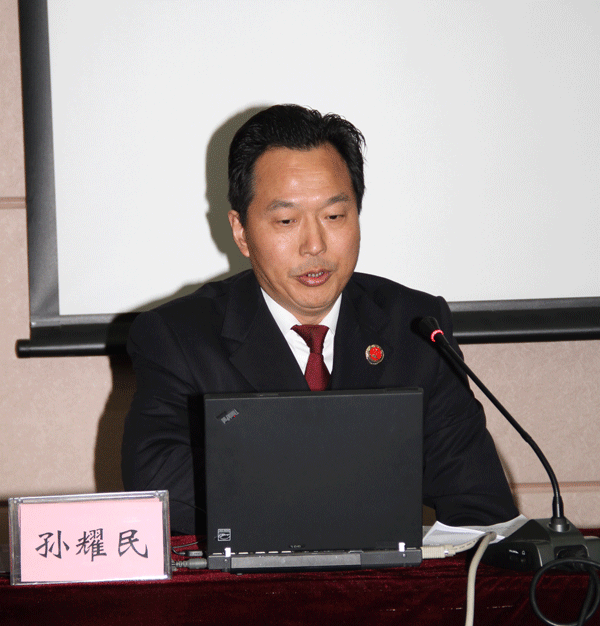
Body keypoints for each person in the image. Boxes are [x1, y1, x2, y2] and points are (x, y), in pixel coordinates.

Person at [121, 104, 518, 535]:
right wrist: (349, 481)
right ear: (241, 232)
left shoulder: (415, 327)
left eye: (334, 216)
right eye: (286, 220)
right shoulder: (178, 337)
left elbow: (480, 502)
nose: (315, 244)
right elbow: (158, 489)